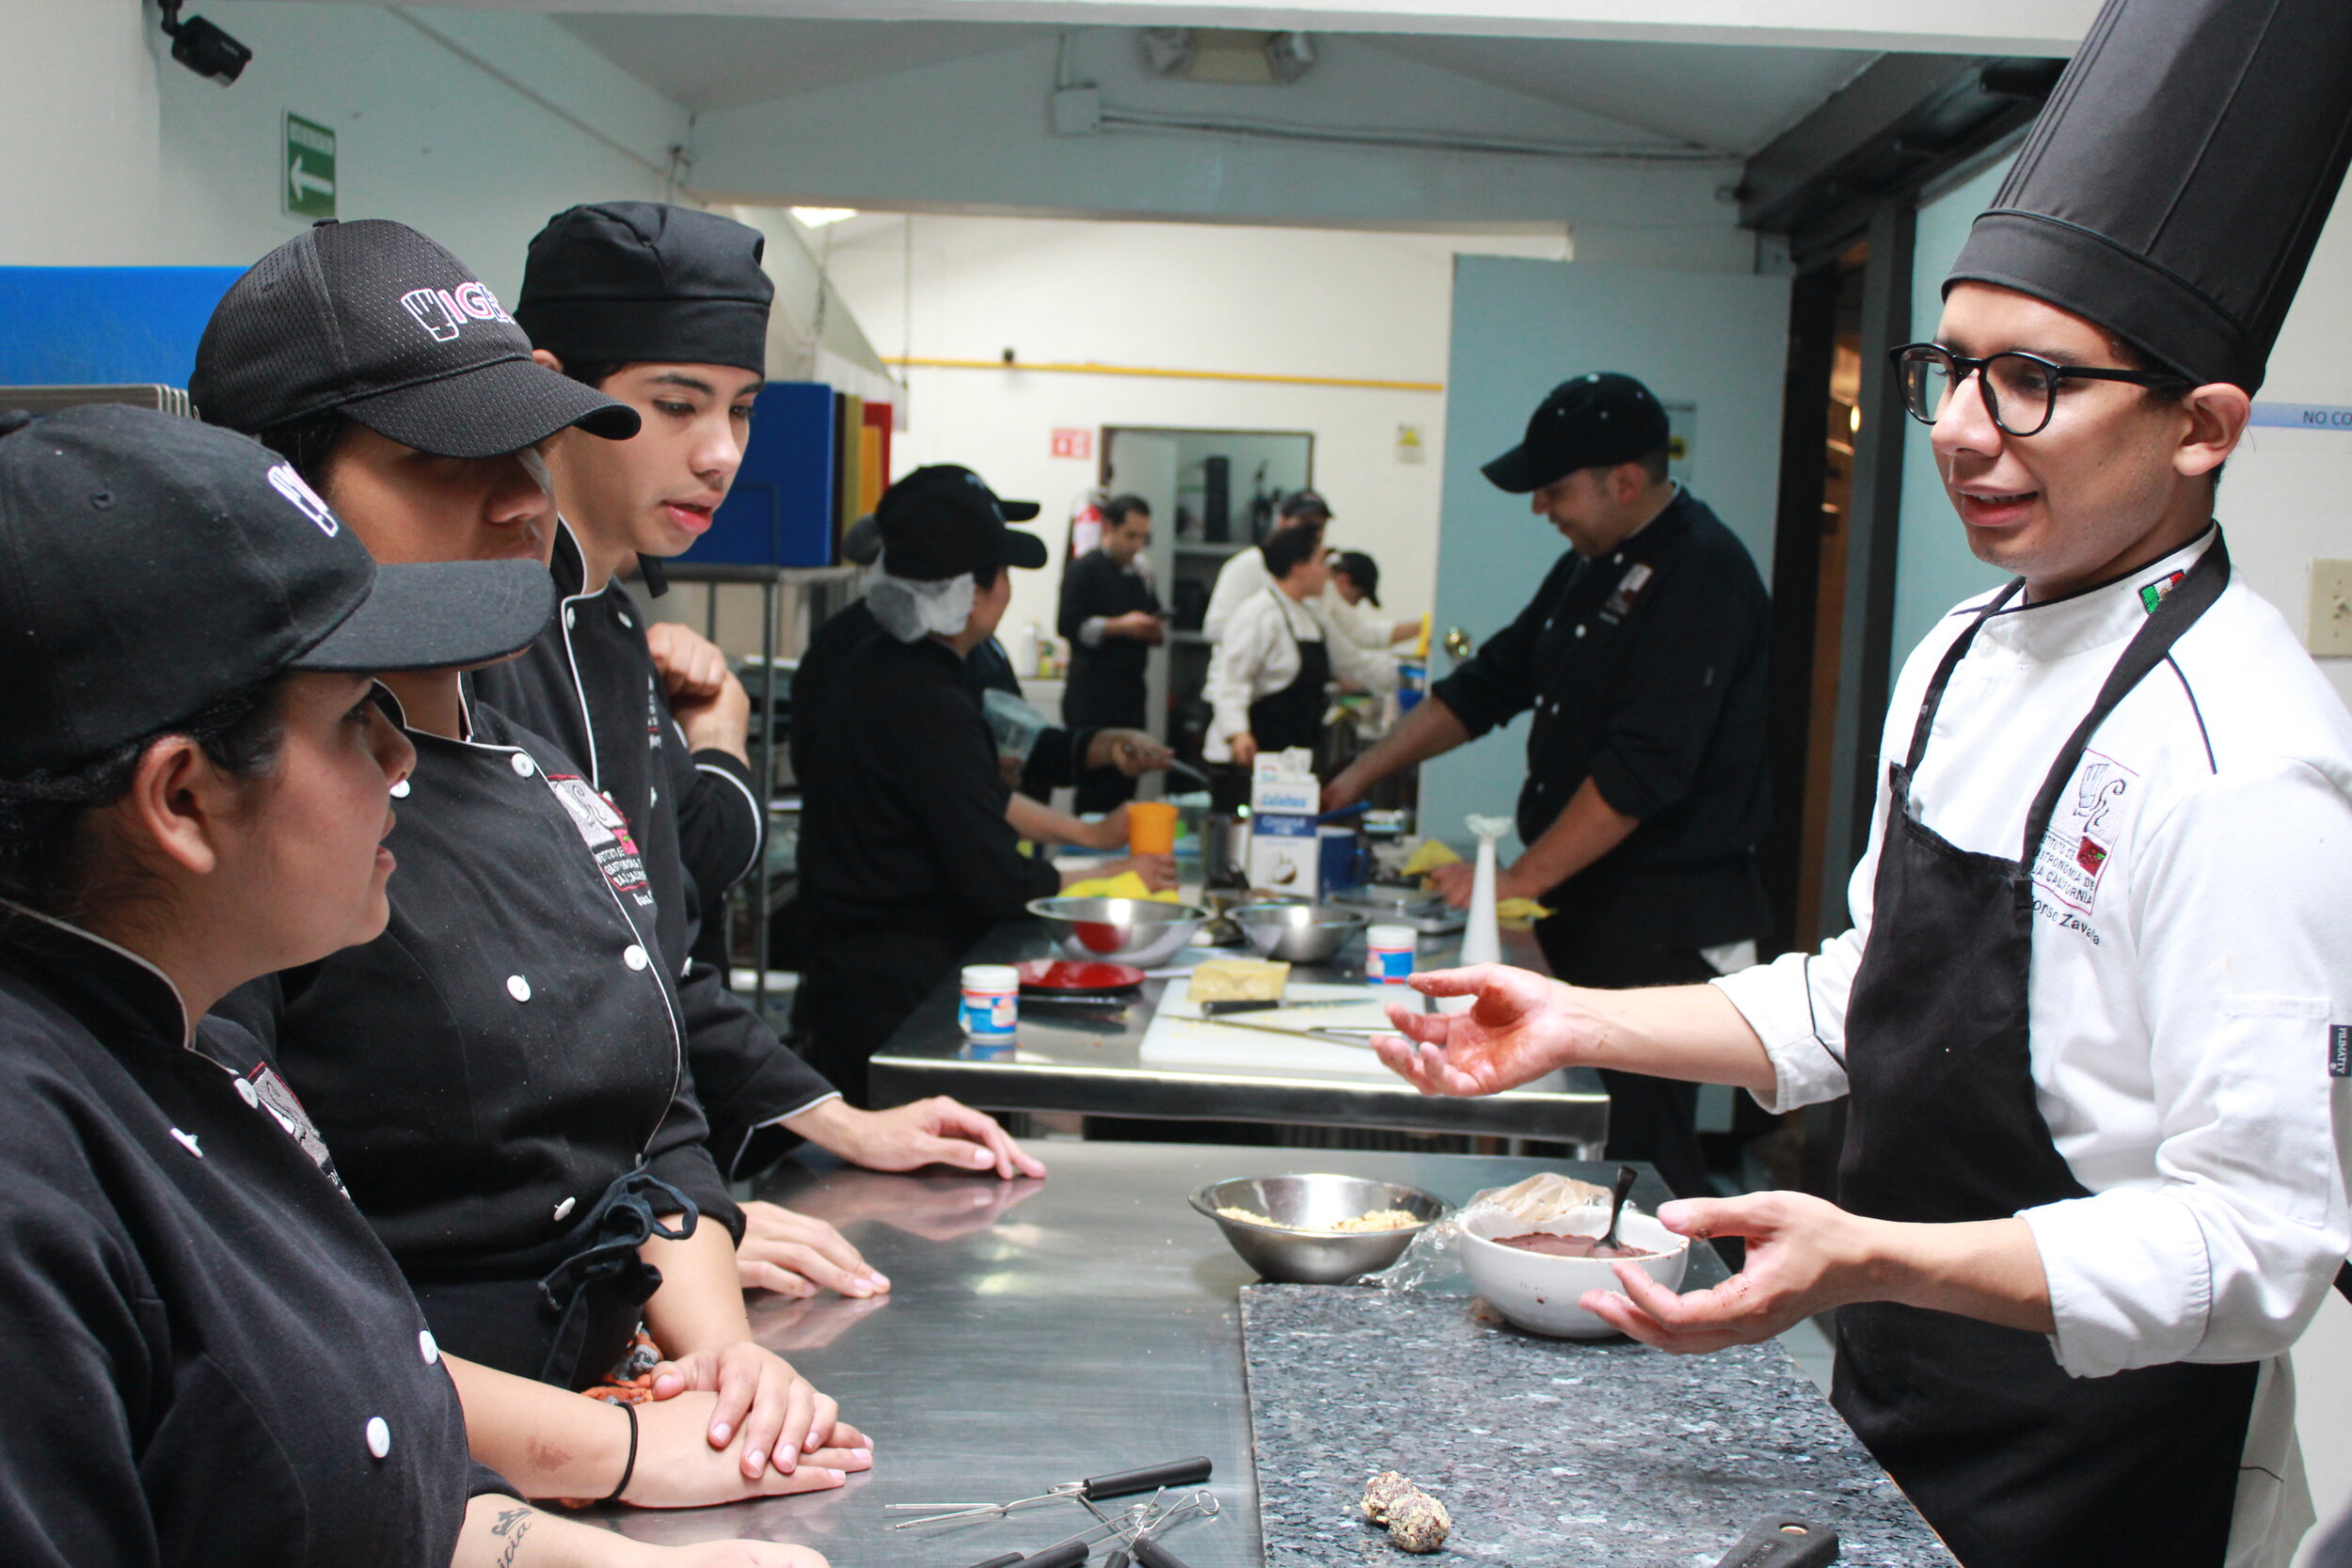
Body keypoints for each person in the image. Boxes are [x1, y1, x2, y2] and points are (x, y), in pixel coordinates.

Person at [1372, 4, 2352, 1563]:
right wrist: (1584, 1020)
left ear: (2203, 428)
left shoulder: (2245, 762)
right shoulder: (1965, 650)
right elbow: (1861, 994)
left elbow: (2258, 1243)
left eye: (2032, 381)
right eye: (1950, 369)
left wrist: (1870, 1255)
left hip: (2094, 1447)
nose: (1964, 430)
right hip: (1887, 1374)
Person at [0, 402, 821, 1566]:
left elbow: (370, 1446)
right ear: (182, 799)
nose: (401, 761)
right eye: (350, 720)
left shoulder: (206, 1063)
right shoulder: (33, 1183)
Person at [193, 218, 867, 1507]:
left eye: (524, 448)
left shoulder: (542, 775)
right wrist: (600, 1453)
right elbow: (249, 1284)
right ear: (286, 494)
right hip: (401, 1485)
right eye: (442, 460)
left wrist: (730, 1375)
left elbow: (653, 1126)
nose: (519, 495)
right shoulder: (245, 813)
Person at [491, 201, 1047, 1299]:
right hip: (524, 1251)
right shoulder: (471, 645)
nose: (720, 454)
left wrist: (845, 1120)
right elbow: (506, 1025)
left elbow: (654, 962)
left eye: (740, 410)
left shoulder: (610, 630)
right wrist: (678, 1224)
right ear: (553, 386)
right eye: (674, 405)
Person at [1326, 372, 1770, 1202]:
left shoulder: (1702, 572)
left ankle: (1692, 1313)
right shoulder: (1591, 565)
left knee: (1643, 1147)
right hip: (1589, 905)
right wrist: (1357, 774)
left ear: (1625, 481)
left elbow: (1641, 772)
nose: (1541, 508)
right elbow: (1491, 681)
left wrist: (1514, 880)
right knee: (1592, 1134)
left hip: (1660, 917)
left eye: (1555, 489)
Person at [795, 466, 1175, 1102]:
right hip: (895, 985)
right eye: (1001, 576)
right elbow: (994, 876)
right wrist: (1108, 868)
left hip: (862, 969)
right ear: (972, 592)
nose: (1006, 591)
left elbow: (966, 788)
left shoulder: (890, 665)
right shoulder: (924, 694)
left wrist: (1095, 767)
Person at [799, 491, 1172, 850]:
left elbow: (1021, 741)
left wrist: (1104, 747)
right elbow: (937, 789)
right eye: (996, 571)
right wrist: (1088, 838)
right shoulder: (882, 661)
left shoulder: (966, 647)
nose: (1003, 590)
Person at [1204, 526, 1396, 769]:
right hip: (1248, 754)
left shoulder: (1313, 616)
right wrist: (1238, 733)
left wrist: (1406, 677)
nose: (1327, 573)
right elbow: (1231, 681)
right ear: (1298, 567)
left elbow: (1354, 664)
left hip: (1290, 754)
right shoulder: (1257, 614)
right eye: (1320, 562)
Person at [1057, 492, 1166, 812]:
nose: (1136, 546)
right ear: (1109, 528)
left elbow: (1153, 614)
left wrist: (1152, 630)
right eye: (1130, 536)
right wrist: (1120, 626)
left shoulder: (1142, 573)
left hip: (1129, 694)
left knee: (1125, 783)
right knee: (1095, 788)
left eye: (1143, 538)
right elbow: (1068, 624)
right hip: (1091, 698)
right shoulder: (1085, 569)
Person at [1200, 487, 1329, 641]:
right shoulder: (1248, 564)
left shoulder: (1319, 572)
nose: (1314, 533)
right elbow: (1214, 628)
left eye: (1320, 527)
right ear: (1282, 522)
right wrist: (1270, 634)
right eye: (1306, 524)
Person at [1327, 549, 1421, 649]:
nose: (1355, 606)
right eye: (1358, 597)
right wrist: (1426, 626)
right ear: (1344, 580)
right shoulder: (1327, 599)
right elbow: (1365, 635)